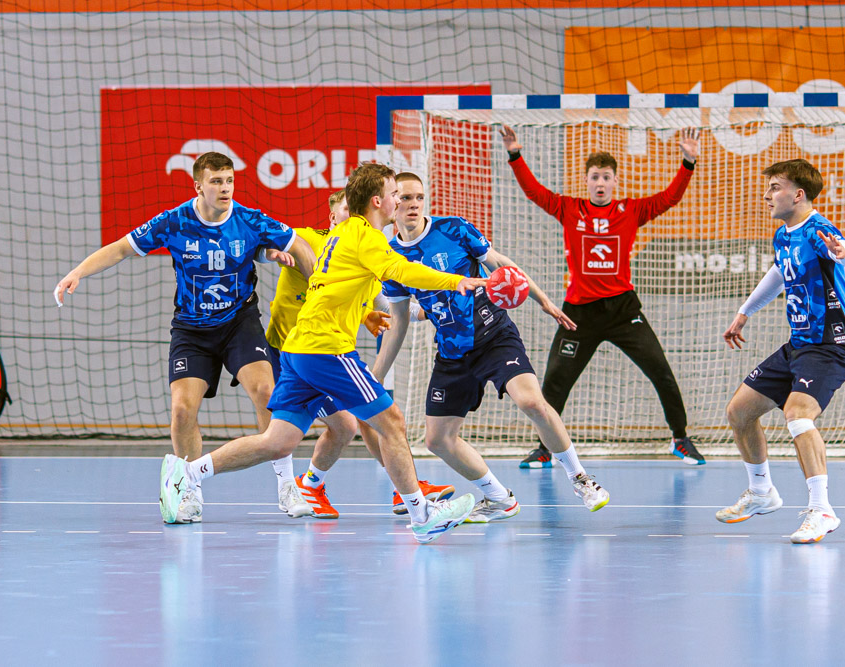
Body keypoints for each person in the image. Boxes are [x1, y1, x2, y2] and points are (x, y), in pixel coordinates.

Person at [159, 162, 484, 544]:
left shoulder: (343, 232)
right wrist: (457, 281)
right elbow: (400, 270)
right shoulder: (365, 235)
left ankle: (186, 473)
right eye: (395, 194)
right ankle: (422, 514)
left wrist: (363, 313)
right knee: (392, 421)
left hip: (299, 348)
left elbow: (335, 287)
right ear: (377, 200)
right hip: (325, 349)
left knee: (277, 441)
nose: (399, 201)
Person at [55, 151, 318, 523]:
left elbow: (299, 245)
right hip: (192, 330)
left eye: (229, 181)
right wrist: (77, 273)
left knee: (266, 391)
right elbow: (121, 249)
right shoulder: (174, 222)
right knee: (181, 410)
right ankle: (189, 491)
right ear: (198, 186)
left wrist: (317, 290)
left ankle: (287, 486)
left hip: (239, 323)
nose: (225, 188)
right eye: (216, 182)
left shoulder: (249, 220)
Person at [371, 172, 610, 521]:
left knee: (532, 402)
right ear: (392, 203)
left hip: (494, 335)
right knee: (437, 440)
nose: (414, 204)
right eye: (405, 198)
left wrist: (542, 299)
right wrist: (376, 376)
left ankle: (581, 479)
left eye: (419, 197)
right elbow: (399, 320)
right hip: (452, 351)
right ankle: (500, 498)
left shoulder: (453, 229)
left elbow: (499, 263)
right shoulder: (391, 257)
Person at [500, 126, 706, 467]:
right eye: (595, 177)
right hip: (579, 314)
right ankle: (545, 448)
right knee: (554, 383)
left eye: (606, 177)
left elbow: (669, 198)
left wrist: (687, 163)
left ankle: (680, 439)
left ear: (614, 182)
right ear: (586, 181)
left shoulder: (631, 211)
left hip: (623, 311)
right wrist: (515, 155)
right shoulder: (569, 209)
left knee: (661, 372)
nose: (600, 183)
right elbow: (534, 192)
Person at [264, 189, 453, 519]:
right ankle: (406, 494)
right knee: (366, 420)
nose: (354, 215)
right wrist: (273, 251)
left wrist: (426, 311)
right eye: (346, 210)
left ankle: (313, 485)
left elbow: (383, 301)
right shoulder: (313, 238)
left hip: (321, 352)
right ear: (332, 217)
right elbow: (273, 241)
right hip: (296, 349)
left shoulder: (357, 248)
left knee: (350, 425)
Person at [718, 158, 845, 544]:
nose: (767, 195)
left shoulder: (817, 229)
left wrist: (842, 251)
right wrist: (744, 312)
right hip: (798, 345)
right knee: (739, 412)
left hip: (829, 345)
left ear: (798, 195)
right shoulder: (784, 235)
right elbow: (780, 273)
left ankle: (822, 510)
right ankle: (761, 492)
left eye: (775, 187)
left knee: (797, 415)